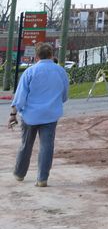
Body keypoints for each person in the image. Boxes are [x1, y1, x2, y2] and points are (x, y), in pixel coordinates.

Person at [9, 42, 70, 187]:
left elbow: (20, 96)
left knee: (26, 145)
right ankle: (42, 178)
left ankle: (19, 173)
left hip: (30, 116)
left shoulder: (30, 72)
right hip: (50, 115)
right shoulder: (60, 71)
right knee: (47, 146)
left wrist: (13, 114)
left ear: (36, 57)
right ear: (52, 55)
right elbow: (65, 95)